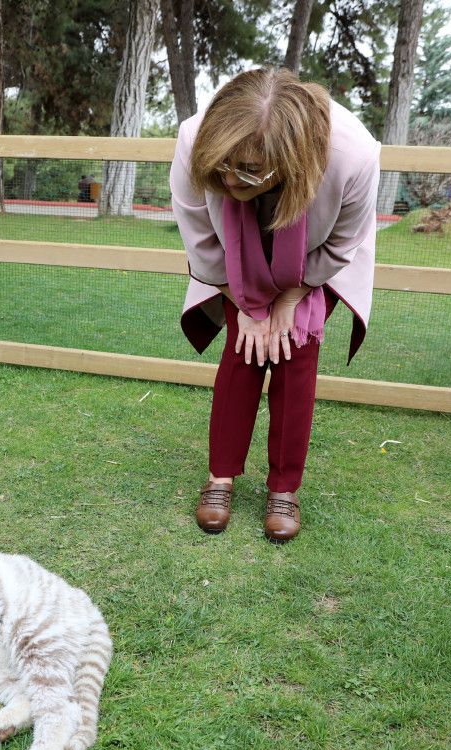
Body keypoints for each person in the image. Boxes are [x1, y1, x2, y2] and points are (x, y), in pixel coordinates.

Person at [172, 68, 380, 543]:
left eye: (245, 170)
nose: (227, 179)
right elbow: (201, 240)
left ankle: (284, 488)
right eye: (220, 167)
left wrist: (292, 296)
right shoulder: (192, 137)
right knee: (245, 351)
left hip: (314, 262)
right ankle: (219, 479)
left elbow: (343, 244)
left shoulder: (353, 155)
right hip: (232, 261)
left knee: (294, 354)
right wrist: (244, 306)